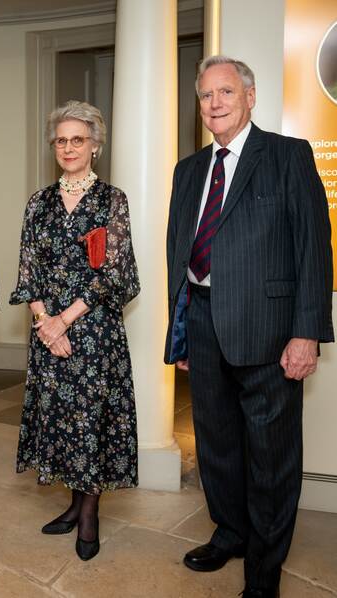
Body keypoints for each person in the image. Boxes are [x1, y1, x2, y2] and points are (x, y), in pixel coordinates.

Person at [164, 56, 333, 598]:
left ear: (250, 97)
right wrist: (182, 330)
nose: (214, 104)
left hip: (269, 329)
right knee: (215, 444)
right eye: (206, 95)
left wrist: (307, 333)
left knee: (271, 457)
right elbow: (179, 254)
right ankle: (231, 531)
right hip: (204, 319)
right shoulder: (188, 170)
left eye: (226, 92)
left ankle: (264, 568)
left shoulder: (287, 156)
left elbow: (314, 251)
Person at [11, 100, 140, 561]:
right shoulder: (39, 202)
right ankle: (72, 503)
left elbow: (115, 272)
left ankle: (89, 514)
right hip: (48, 331)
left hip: (95, 332)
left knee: (91, 420)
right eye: (61, 140)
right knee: (61, 418)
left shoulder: (112, 200)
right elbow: (28, 270)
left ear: (95, 146)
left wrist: (65, 320)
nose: (68, 147)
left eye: (77, 139)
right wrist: (46, 322)